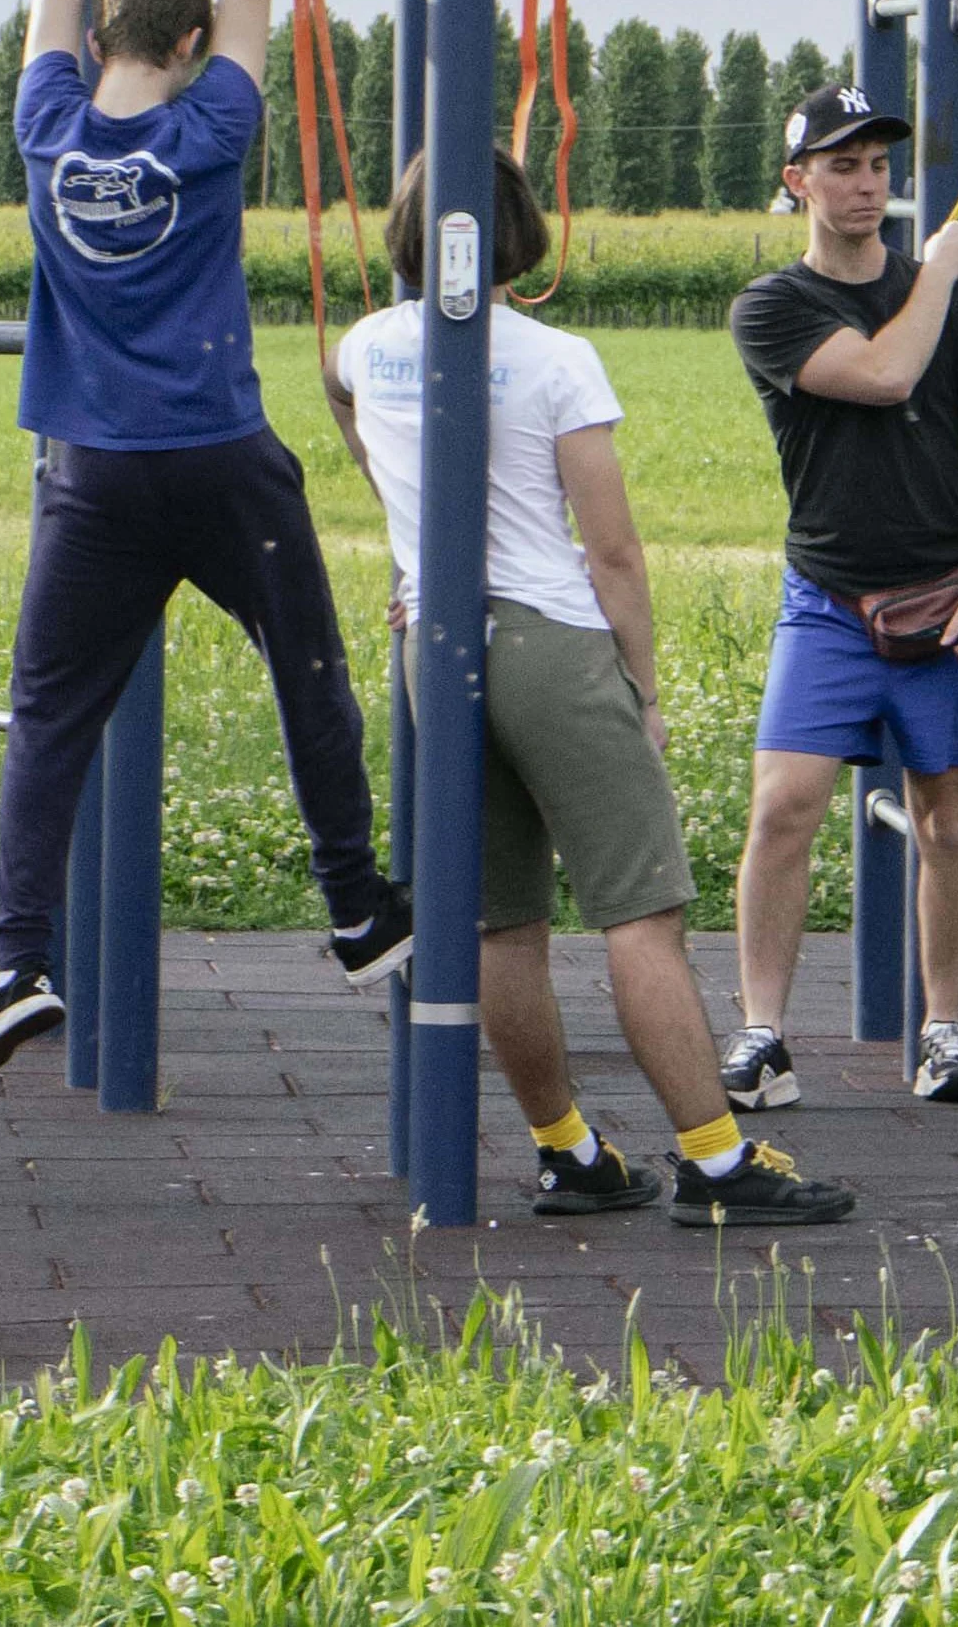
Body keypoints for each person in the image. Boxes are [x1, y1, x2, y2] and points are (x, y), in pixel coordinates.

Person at [0, 0, 402, 1072]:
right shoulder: (213, 125)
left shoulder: (49, 125)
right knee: (307, 665)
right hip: (220, 462)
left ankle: (16, 959)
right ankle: (350, 897)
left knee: (50, 715)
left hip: (95, 472)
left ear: (96, 42)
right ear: (194, 43)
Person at [325, 161, 854, 1228]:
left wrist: (410, 541)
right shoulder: (556, 361)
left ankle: (568, 1148)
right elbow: (611, 550)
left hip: (439, 643)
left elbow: (342, 403)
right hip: (551, 644)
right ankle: (714, 1161)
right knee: (639, 909)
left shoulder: (366, 345)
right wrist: (642, 686)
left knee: (502, 919)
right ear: (520, 231)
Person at [719, 89, 958, 1109]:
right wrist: (940, 270)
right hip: (828, 598)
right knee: (783, 806)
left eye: (879, 165)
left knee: (950, 824)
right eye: (842, 164)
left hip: (948, 594)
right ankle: (761, 1031)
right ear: (796, 178)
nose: (865, 182)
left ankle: (945, 1031)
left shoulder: (949, 298)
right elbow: (887, 374)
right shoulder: (772, 306)